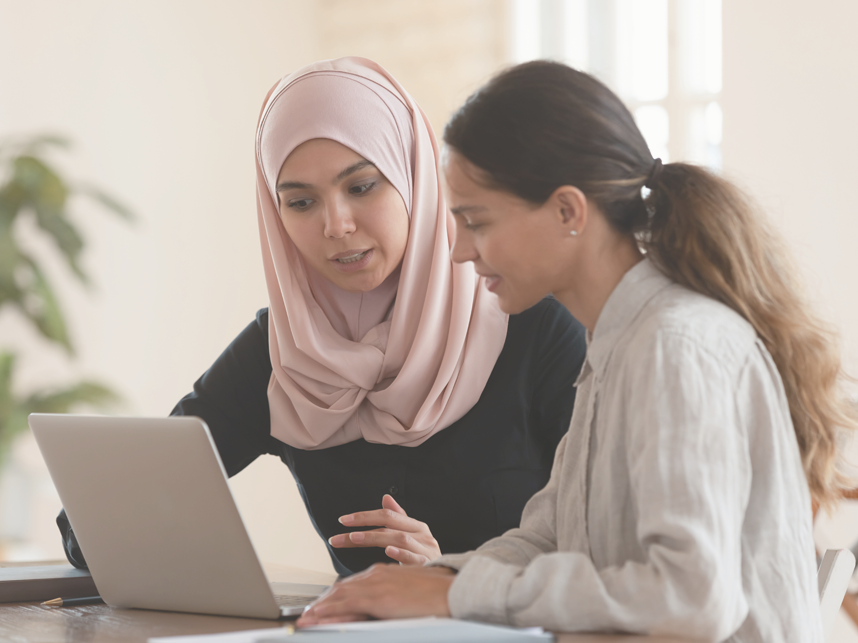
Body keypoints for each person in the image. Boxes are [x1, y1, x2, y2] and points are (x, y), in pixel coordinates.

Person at [297, 60, 858, 641]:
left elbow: (692, 597)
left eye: (476, 221)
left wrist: (456, 592)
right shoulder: (615, 342)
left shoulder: (675, 346)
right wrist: (422, 582)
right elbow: (548, 537)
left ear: (568, 211)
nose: (459, 250)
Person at [56, 57, 587, 577]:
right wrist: (148, 533)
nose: (336, 225)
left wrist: (456, 575)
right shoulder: (285, 350)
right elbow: (91, 527)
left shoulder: (533, 326)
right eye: (302, 203)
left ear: (413, 179)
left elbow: (603, 552)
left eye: (361, 187)